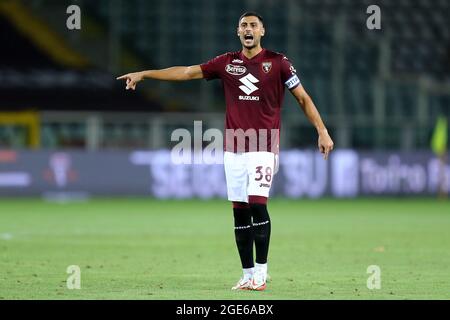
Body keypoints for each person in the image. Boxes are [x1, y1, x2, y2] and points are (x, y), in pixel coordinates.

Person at [117, 12, 334, 291]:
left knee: (258, 204)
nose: (248, 29)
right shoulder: (226, 63)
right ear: (238, 32)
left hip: (264, 145)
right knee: (239, 212)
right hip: (233, 149)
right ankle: (246, 274)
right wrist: (145, 73)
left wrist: (322, 130)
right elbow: (186, 72)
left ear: (262, 31)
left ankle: (261, 273)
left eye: (254, 25)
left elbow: (303, 98)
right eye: (244, 25)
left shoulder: (279, 63)